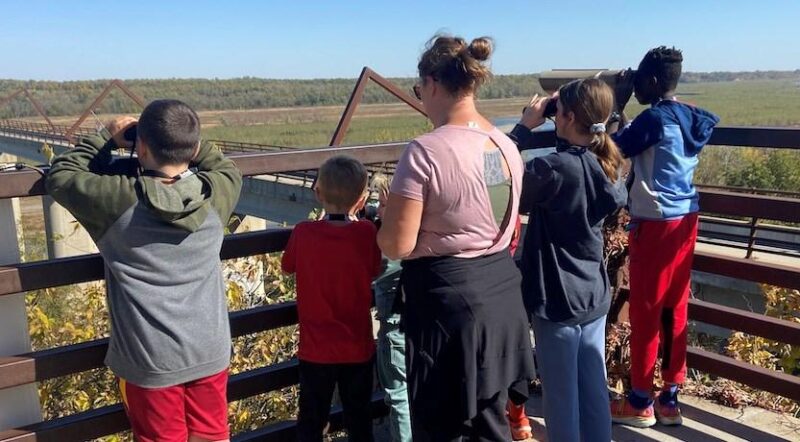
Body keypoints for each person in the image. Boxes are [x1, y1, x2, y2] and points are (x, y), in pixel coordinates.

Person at [46, 99, 243, 442]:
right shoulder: (218, 192)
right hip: (209, 349)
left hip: (149, 358)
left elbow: (62, 175)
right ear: (193, 148)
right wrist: (189, 141)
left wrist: (105, 136)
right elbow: (224, 166)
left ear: (141, 147)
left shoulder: (116, 200)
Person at [377, 34, 536, 442]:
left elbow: (396, 245)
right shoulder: (502, 145)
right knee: (490, 423)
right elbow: (490, 213)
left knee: (442, 428)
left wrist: (387, 216)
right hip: (499, 297)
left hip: (446, 309)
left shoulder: (425, 151)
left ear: (431, 83)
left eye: (418, 90)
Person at [609, 46, 719, 427]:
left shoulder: (653, 119)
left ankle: (640, 399)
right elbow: (642, 139)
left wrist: (615, 103)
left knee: (646, 311)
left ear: (653, 82)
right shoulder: (689, 116)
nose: (635, 86)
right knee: (675, 309)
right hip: (687, 219)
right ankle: (670, 397)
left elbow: (611, 149)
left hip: (656, 225)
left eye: (638, 81)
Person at [512, 79, 627, 442]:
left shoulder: (554, 169)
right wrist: (563, 122)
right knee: (593, 389)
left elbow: (496, 181)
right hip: (593, 293)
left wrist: (524, 128)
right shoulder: (608, 164)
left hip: (557, 297)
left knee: (560, 400)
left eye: (557, 111)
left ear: (567, 117)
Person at [281, 155, 382, 442]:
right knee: (359, 417)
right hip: (357, 347)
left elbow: (287, 266)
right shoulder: (366, 232)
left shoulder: (304, 232)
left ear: (318, 193)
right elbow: (375, 268)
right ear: (362, 200)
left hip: (316, 350)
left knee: (312, 420)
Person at [371, 173, 413, 442]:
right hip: (418, 327)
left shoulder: (386, 243)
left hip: (394, 332)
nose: (377, 209)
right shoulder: (419, 236)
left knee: (398, 396)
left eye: (383, 204)